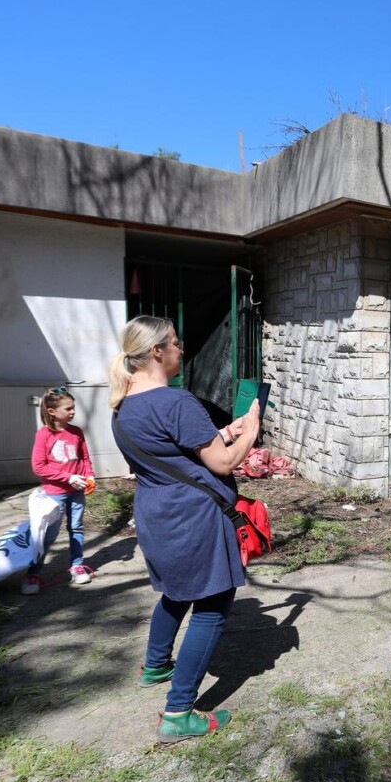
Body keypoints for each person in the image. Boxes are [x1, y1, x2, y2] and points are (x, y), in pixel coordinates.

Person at [110, 315, 260, 743]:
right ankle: (178, 713)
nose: (181, 348)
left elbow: (174, 449)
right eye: (174, 342)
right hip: (194, 518)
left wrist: (224, 431)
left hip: (157, 514)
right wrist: (249, 432)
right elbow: (224, 462)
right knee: (212, 605)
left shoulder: (123, 405)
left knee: (176, 591)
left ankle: (156, 664)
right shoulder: (176, 402)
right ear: (156, 351)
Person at [24, 387, 95, 595]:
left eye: (73, 408)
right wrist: (68, 477)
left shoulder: (77, 432)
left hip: (77, 492)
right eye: (68, 408)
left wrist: (88, 475)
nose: (73, 412)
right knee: (47, 534)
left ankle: (77, 565)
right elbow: (39, 467)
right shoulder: (43, 435)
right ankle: (33, 573)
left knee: (77, 528)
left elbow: (84, 458)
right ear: (52, 411)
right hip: (53, 493)